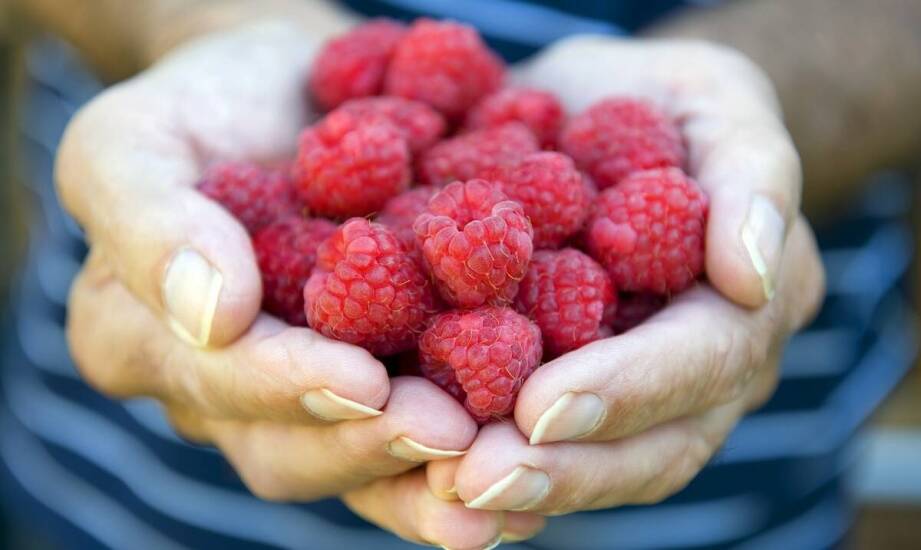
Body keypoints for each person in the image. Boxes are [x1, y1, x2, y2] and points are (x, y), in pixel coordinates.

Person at [0, 0, 917, 548]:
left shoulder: (529, 217)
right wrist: (204, 21)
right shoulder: (383, 220)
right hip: (110, 502)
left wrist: (767, 96)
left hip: (733, 504)